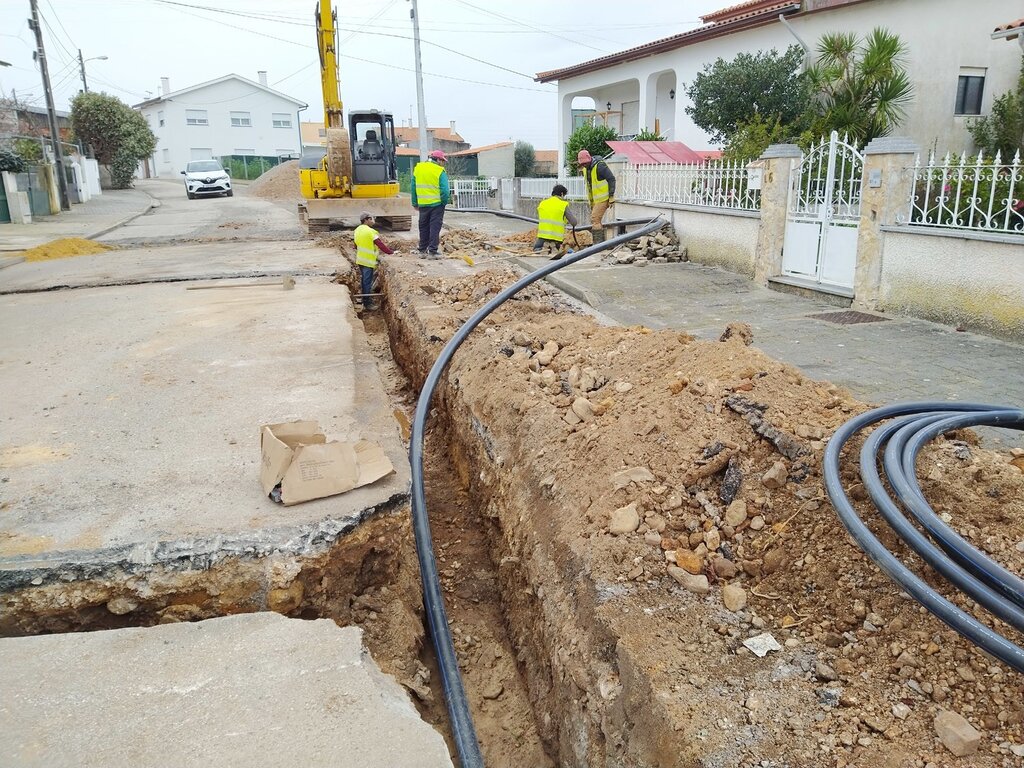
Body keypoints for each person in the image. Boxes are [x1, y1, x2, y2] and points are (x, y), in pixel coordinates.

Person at [411, 149, 450, 258]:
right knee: (434, 227)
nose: (443, 163)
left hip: (423, 204)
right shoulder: (439, 171)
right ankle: (432, 251)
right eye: (442, 161)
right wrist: (444, 202)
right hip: (437, 204)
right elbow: (445, 190)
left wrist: (415, 202)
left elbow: (413, 187)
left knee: (423, 226)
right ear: (437, 159)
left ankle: (422, 250)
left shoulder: (418, 168)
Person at [353, 211, 394, 310]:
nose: (373, 220)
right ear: (367, 220)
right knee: (367, 283)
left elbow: (355, 245)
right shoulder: (370, 231)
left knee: (364, 281)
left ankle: (364, 299)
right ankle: (368, 304)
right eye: (371, 219)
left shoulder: (357, 230)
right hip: (368, 261)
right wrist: (390, 252)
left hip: (360, 260)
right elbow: (380, 244)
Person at [577, 149, 616, 244]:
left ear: (589, 159)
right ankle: (601, 244)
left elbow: (611, 179)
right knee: (596, 220)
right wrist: (591, 202)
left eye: (585, 163)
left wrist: (611, 196)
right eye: (582, 164)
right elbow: (590, 186)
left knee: (595, 219)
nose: (584, 165)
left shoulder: (600, 166)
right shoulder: (587, 169)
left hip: (604, 198)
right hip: (596, 200)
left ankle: (598, 245)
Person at [533, 184, 578, 260]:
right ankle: (552, 246)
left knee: (536, 249)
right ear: (562, 194)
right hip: (556, 237)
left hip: (542, 236)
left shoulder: (543, 203)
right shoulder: (563, 204)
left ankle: (544, 247)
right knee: (557, 249)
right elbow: (574, 222)